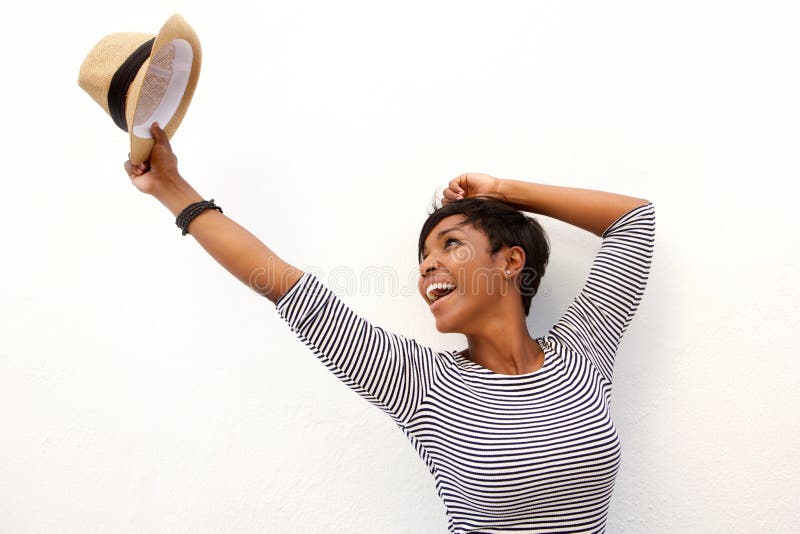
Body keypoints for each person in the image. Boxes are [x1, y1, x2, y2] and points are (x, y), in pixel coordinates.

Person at [125, 122, 656, 533]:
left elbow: (634, 219)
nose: (427, 266)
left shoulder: (585, 351)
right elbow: (279, 281)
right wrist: (172, 187)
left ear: (511, 261)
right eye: (423, 256)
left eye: (451, 244)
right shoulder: (423, 384)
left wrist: (502, 190)